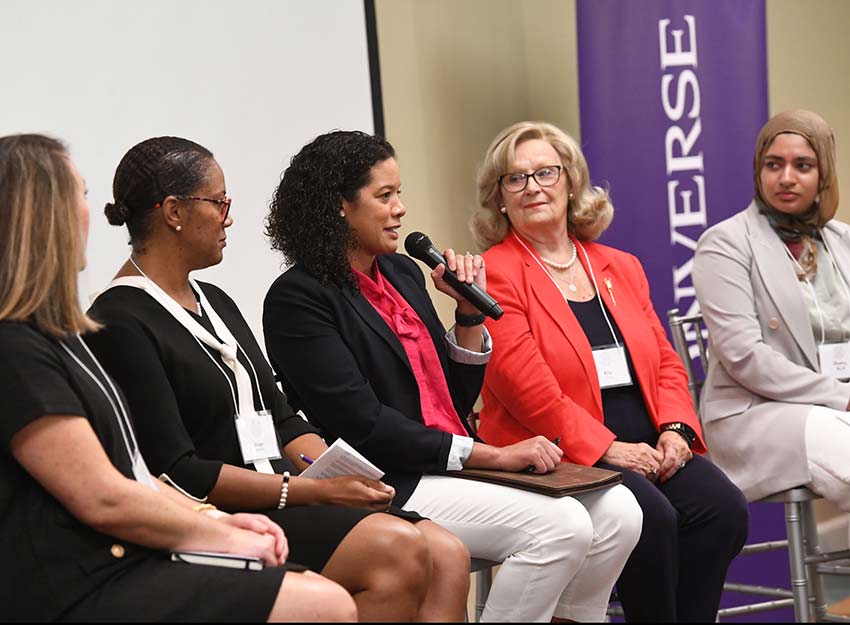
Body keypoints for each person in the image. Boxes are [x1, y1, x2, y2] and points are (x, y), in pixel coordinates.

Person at [262, 129, 643, 623]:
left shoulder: (401, 272)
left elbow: (452, 398)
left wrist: (467, 316)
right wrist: (495, 455)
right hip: (392, 475)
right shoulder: (298, 298)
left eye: (399, 193)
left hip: (454, 461)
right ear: (339, 206)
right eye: (385, 196)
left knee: (620, 513)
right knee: (562, 526)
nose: (400, 209)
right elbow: (364, 424)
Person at [85, 136, 469, 622]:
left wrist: (336, 470)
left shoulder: (217, 301)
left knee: (447, 551)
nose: (229, 216)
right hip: (220, 514)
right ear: (174, 212)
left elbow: (283, 419)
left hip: (286, 493)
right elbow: (180, 471)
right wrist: (311, 490)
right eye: (219, 202)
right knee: (398, 549)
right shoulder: (120, 320)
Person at [0, 133, 356, 622]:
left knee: (329, 590)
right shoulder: (16, 349)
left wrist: (209, 517)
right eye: (78, 194)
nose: (90, 212)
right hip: (75, 581)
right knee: (325, 605)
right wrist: (225, 534)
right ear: (40, 215)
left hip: (116, 559)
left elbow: (137, 474)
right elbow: (104, 496)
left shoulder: (52, 337)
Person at [470, 121, 749, 622]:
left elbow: (665, 361)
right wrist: (606, 448)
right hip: (557, 450)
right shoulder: (497, 272)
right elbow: (527, 389)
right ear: (501, 198)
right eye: (515, 179)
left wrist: (677, 429)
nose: (533, 187)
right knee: (650, 517)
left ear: (571, 181)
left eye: (545, 173)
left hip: (648, 440)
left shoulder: (619, 265)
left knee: (722, 508)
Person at [693, 110, 850, 520]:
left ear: (824, 175)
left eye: (803, 165)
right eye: (773, 164)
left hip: (835, 410)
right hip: (756, 414)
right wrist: (843, 398)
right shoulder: (724, 243)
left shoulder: (843, 240)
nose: (786, 178)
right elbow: (746, 357)